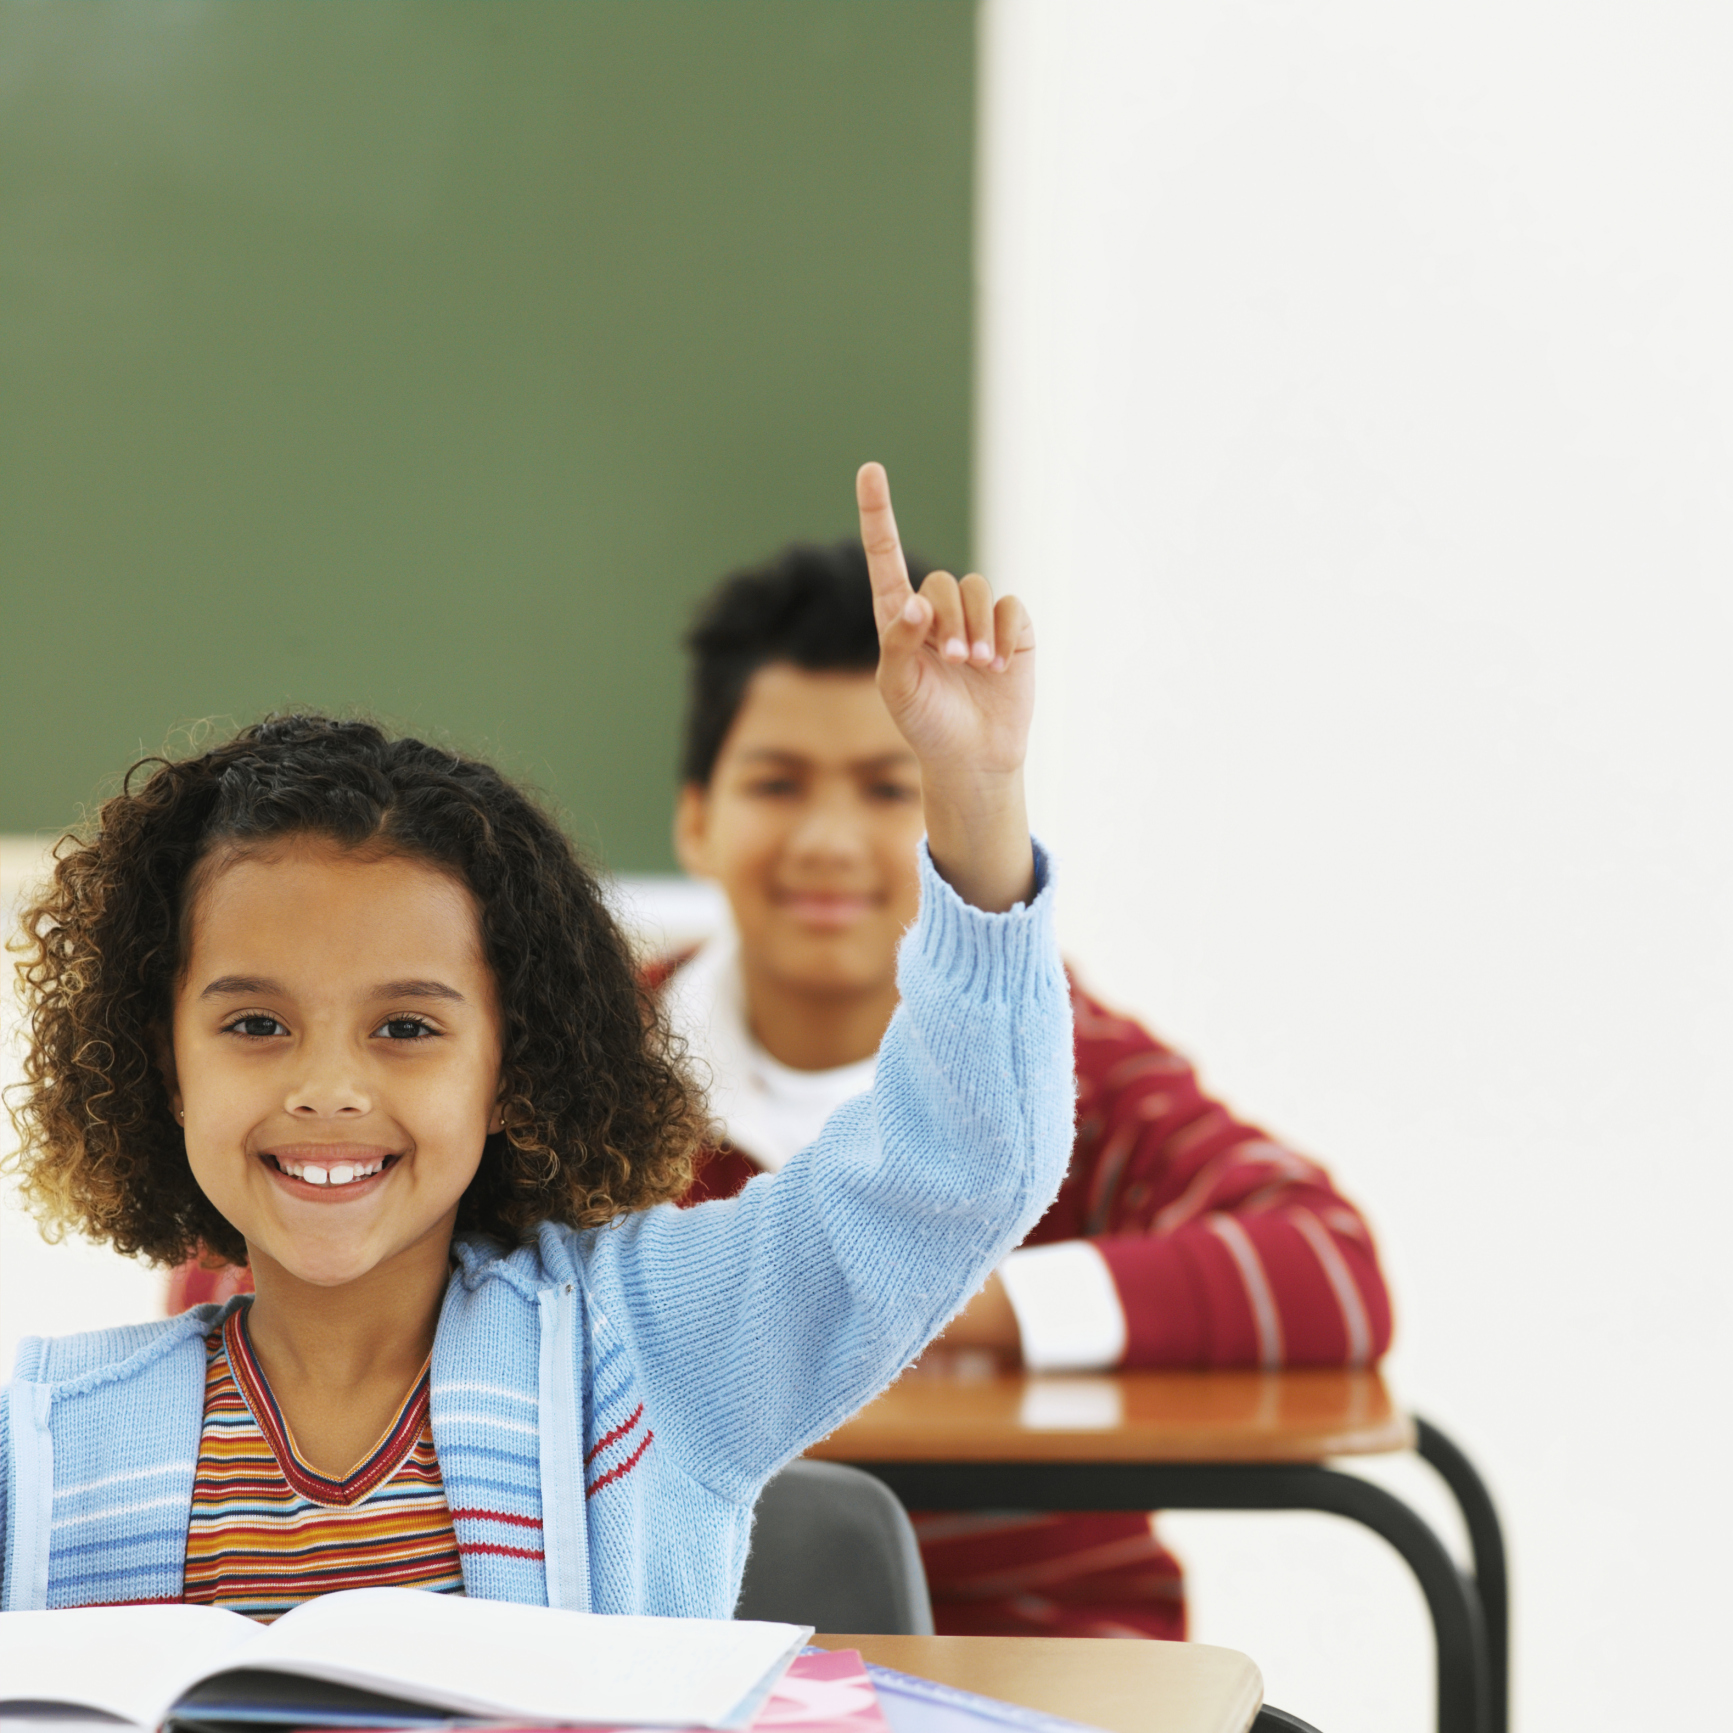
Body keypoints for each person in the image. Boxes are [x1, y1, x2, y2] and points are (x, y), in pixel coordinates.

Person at [0, 466, 1075, 1620]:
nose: (327, 1086)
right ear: (164, 1063)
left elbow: (955, 1172)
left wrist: (973, 793)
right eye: (255, 1024)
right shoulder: (52, 1439)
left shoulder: (646, 1349)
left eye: (406, 1027)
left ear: (508, 1068)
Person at [663, 539, 1394, 1641]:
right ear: (695, 820)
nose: (828, 840)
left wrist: (933, 1295)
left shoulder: (1055, 1054)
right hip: (683, 1650)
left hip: (1041, 1639)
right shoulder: (587, 1059)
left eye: (888, 787)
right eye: (776, 783)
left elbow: (1325, 1266)